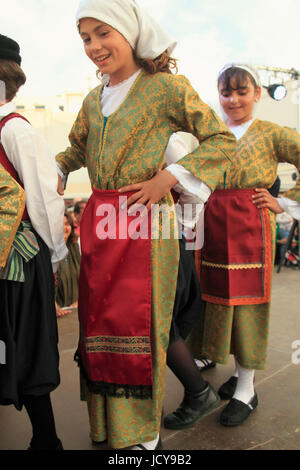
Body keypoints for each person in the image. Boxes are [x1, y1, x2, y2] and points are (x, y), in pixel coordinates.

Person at [56, 0, 235, 450]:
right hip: (102, 223)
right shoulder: (93, 100)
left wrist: (168, 177)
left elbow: (220, 139)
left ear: (130, 32)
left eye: (102, 33)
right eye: (85, 38)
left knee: (143, 326)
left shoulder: (166, 88)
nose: (94, 46)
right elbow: (74, 150)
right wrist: (54, 171)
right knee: (101, 324)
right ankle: (110, 426)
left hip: (147, 222)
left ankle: (142, 438)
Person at [186, 62, 300, 428]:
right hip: (212, 227)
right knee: (212, 301)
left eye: (241, 91)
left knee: (247, 305)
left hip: (250, 225)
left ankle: (247, 388)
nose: (233, 99)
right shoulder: (211, 133)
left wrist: (285, 202)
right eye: (225, 92)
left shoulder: (272, 133)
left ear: (257, 94)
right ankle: (226, 366)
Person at [0, 34, 67, 450]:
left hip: (19, 258)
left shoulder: (15, 130)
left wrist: (56, 256)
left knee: (24, 347)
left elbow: (44, 198)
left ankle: (47, 440)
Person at [55, 212, 81, 317]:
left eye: (67, 224)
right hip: (55, 313)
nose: (64, 228)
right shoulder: (47, 251)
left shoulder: (75, 248)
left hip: (74, 311)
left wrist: (80, 301)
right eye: (59, 224)